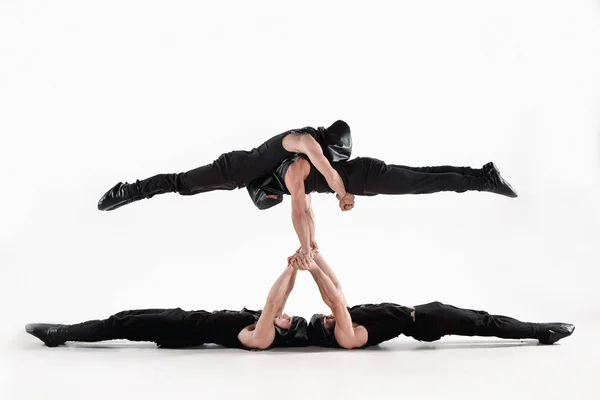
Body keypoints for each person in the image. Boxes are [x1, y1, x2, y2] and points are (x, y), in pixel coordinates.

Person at [97, 120, 354, 264]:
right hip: (234, 169)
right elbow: (328, 176)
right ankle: (129, 190)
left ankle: (259, 190)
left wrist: (309, 244)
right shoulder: (305, 141)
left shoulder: (299, 163)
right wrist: (343, 195)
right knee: (182, 184)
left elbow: (307, 207)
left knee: (272, 196)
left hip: (258, 181)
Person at [290, 249, 574, 349]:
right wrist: (312, 269)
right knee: (485, 323)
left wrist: (315, 254)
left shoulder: (346, 321)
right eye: (325, 321)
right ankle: (543, 331)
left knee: (484, 317)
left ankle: (538, 328)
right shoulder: (347, 336)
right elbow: (335, 302)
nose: (327, 316)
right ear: (328, 333)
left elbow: (336, 287)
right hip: (427, 322)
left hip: (426, 311)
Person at [25, 264, 308, 350]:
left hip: (179, 329)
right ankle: (62, 331)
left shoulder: (262, 337)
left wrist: (288, 267)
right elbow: (280, 300)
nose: (287, 314)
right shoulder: (268, 324)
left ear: (285, 332)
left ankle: (58, 333)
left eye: (289, 320)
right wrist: (296, 265)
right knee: (121, 318)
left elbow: (273, 303)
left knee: (119, 325)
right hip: (181, 319)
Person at [247, 156, 518, 211]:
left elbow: (300, 213)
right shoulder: (289, 170)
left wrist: (344, 195)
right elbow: (308, 207)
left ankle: (484, 182)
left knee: (424, 182)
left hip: (366, 177)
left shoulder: (291, 175)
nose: (274, 200)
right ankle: (483, 173)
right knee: (424, 174)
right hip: (365, 175)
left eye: (269, 199)